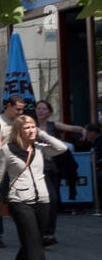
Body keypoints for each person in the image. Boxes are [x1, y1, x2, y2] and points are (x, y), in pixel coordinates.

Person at [0, 114, 67, 260]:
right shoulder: (7, 150)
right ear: (18, 131)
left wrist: (43, 134)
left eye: (33, 127)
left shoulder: (40, 149)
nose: (31, 130)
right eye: (27, 127)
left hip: (43, 200)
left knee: (33, 240)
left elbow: (62, 148)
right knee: (33, 242)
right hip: (19, 201)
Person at [33, 100, 82, 244]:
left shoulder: (53, 125)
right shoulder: (30, 125)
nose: (40, 111)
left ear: (49, 112)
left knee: (53, 200)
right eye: (38, 108)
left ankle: (49, 233)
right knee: (41, 200)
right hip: (35, 169)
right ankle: (39, 231)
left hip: (52, 168)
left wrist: (83, 130)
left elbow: (72, 128)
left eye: (44, 109)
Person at [0, 95, 26, 248]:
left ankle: (28, 233)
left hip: (18, 168)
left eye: (22, 109)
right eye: (18, 109)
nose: (21, 112)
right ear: (8, 106)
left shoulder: (20, 122)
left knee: (22, 202)